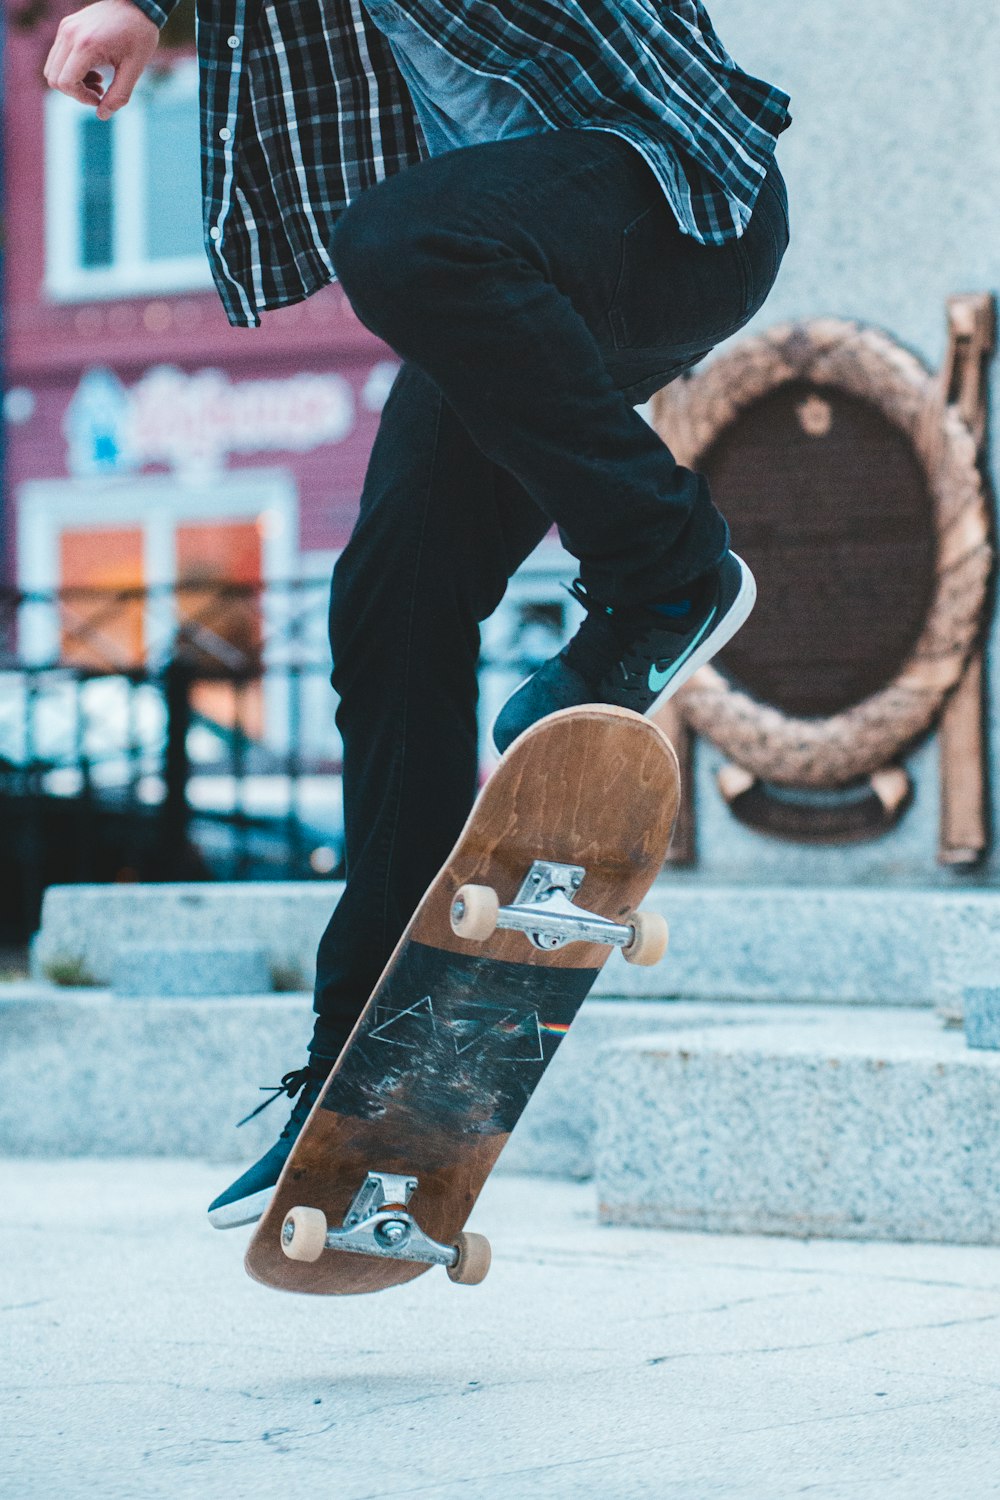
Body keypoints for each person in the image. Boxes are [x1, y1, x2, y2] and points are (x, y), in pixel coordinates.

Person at [46, 0, 791, 1226]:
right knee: (388, 601)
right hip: (515, 286)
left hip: (675, 202)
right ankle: (365, 1064)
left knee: (395, 238)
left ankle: (667, 567)